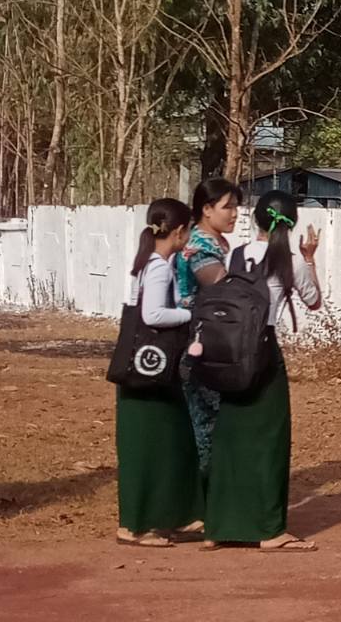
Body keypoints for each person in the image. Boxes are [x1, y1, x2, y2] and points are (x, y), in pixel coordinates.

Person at [202, 191, 323, 552]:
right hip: (264, 351)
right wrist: (309, 258)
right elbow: (314, 301)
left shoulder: (236, 255)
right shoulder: (291, 262)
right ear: (292, 223)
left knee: (229, 438)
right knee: (270, 441)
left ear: (255, 218)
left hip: (231, 351)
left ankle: (219, 525)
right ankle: (270, 530)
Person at [116, 199, 203, 548]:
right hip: (151, 373)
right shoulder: (157, 268)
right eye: (189, 230)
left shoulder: (148, 262)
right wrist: (191, 315)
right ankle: (137, 525)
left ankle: (173, 515)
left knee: (170, 443)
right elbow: (153, 315)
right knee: (151, 449)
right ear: (179, 231)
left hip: (141, 370)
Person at [175, 178, 243, 475]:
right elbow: (222, 290)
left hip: (206, 338)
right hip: (194, 343)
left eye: (236, 207)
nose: (235, 214)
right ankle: (204, 493)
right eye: (227, 207)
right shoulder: (200, 247)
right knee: (205, 423)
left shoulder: (212, 242)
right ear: (206, 209)